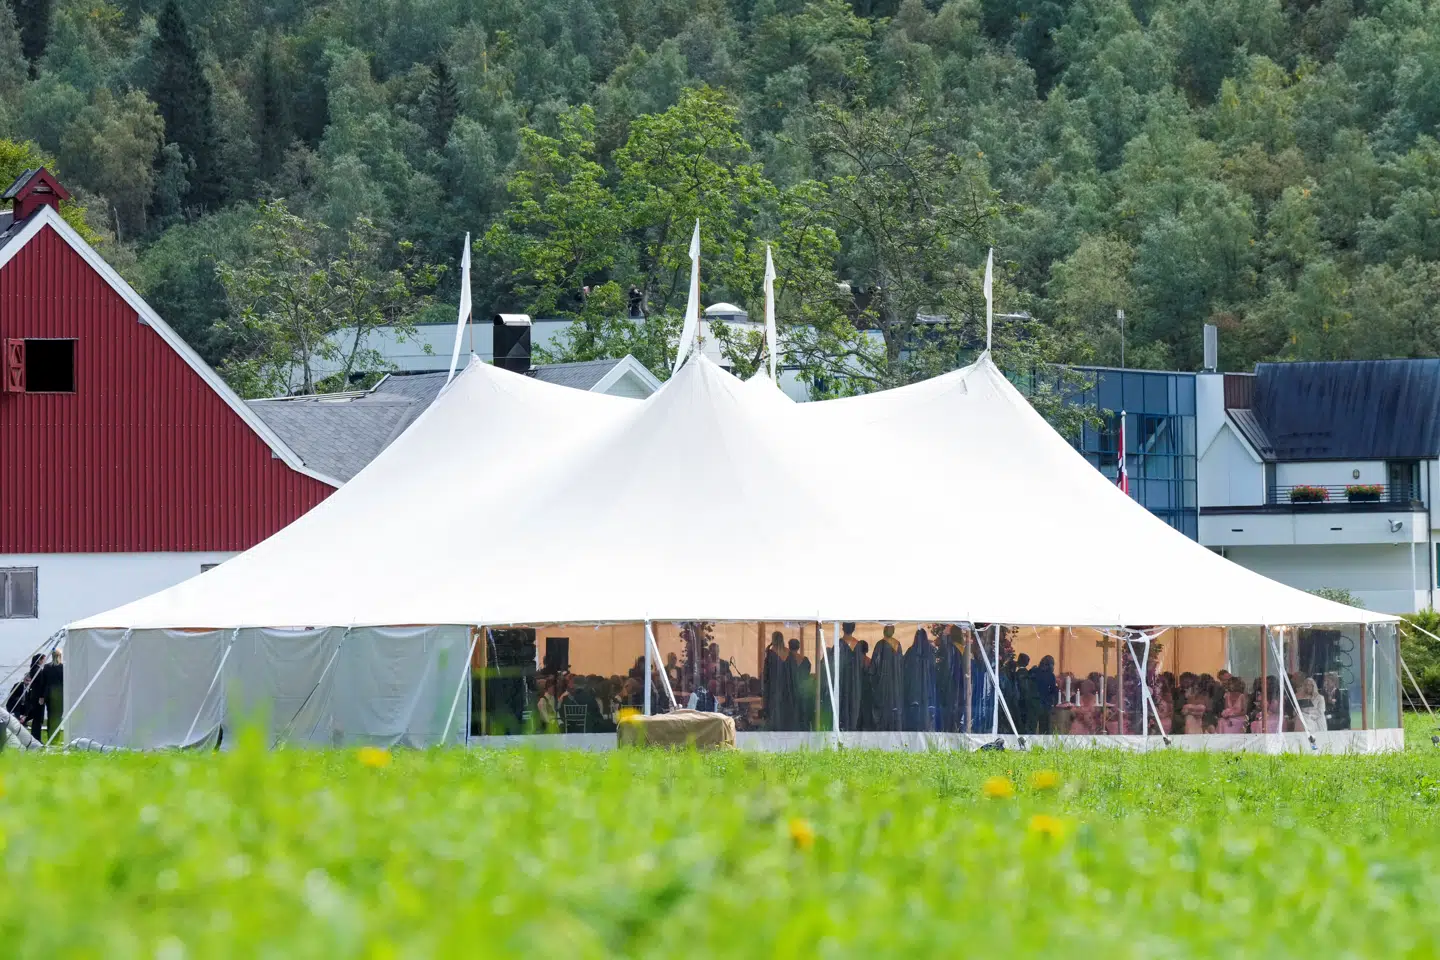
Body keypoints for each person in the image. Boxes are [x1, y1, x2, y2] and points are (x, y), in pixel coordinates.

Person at [39, 649, 63, 743]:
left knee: (50, 716)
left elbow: (43, 683)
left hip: (49, 695)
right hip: (60, 694)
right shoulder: (62, 667)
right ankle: (55, 737)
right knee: (58, 716)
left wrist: (42, 696)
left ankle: (50, 737)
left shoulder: (47, 667)